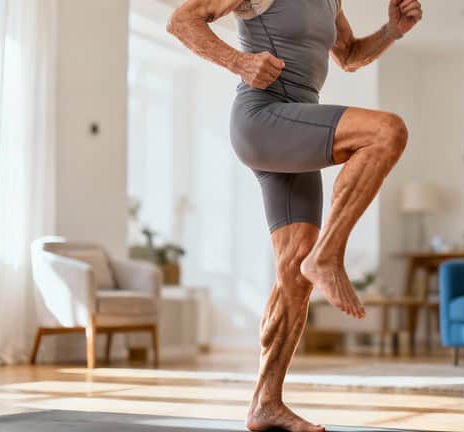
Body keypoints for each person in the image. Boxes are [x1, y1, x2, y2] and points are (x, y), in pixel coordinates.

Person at [167, 1, 422, 430]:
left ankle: (265, 403)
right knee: (386, 131)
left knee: (293, 271)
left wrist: (391, 31)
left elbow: (350, 55)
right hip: (263, 118)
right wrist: (240, 63)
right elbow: (181, 20)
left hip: (298, 121)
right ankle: (327, 256)